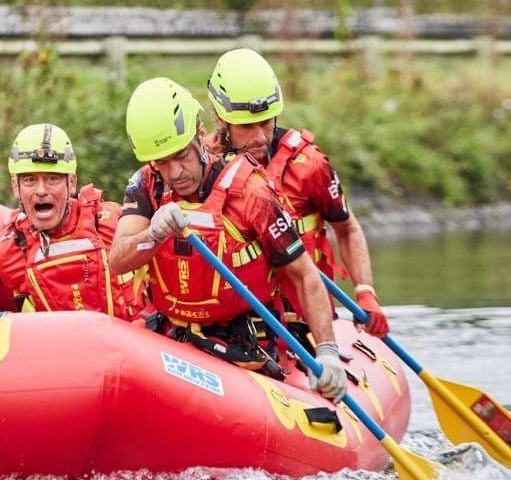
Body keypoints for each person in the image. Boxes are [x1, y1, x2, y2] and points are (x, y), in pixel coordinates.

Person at [107, 78, 346, 402]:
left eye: (181, 156)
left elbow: (303, 274)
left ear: (199, 135)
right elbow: (117, 260)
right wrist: (153, 234)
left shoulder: (252, 192)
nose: (175, 171)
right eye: (162, 162)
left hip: (243, 337)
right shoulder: (147, 184)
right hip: (171, 335)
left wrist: (328, 352)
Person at [204, 48, 390, 340]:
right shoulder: (200, 166)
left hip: (302, 318)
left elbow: (347, 229)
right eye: (246, 127)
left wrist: (365, 291)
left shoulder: (309, 165)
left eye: (266, 122)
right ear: (219, 118)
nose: (260, 138)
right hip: (232, 323)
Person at [0, 124, 144, 320]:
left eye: (52, 179)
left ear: (71, 183)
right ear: (15, 187)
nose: (41, 191)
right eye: (30, 180)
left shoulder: (114, 221)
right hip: (58, 357)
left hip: (127, 354)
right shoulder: (3, 249)